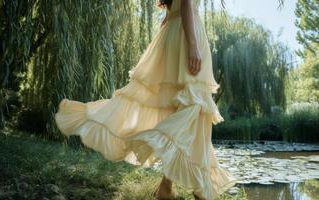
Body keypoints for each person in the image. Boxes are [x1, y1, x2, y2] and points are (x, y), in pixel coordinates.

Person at [54, 0, 237, 199]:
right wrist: (192, 44)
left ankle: (171, 187)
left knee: (185, 108)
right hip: (187, 33)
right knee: (194, 108)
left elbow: (170, 13)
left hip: (175, 32)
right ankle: (185, 184)